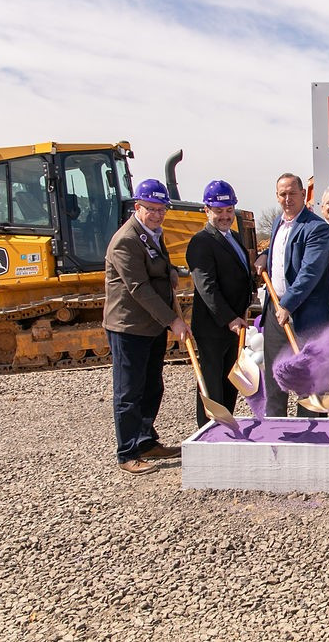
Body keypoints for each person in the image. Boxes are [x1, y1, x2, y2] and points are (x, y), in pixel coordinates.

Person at [102, 179, 189, 475]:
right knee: (129, 391)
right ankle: (127, 452)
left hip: (150, 327)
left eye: (161, 209)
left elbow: (157, 263)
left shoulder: (152, 232)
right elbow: (139, 288)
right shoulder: (126, 239)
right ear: (137, 207)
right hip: (129, 327)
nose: (156, 214)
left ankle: (146, 440)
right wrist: (173, 320)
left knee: (152, 385)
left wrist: (172, 272)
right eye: (150, 209)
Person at [255, 173, 329, 417]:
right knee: (274, 378)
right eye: (282, 194)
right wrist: (264, 255)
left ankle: (312, 435)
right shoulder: (279, 221)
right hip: (275, 312)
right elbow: (283, 248)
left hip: (305, 317)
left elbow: (309, 272)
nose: (287, 199)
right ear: (277, 196)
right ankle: (276, 430)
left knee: (307, 380)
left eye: (292, 193)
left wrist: (287, 304)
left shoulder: (318, 229)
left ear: (303, 194)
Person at [185, 180, 254, 429]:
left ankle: (226, 426)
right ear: (207, 210)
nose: (225, 216)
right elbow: (207, 287)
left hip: (235, 325)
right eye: (219, 211)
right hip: (214, 327)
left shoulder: (234, 237)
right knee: (212, 384)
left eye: (229, 210)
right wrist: (229, 318)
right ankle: (208, 431)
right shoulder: (201, 242)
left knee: (229, 381)